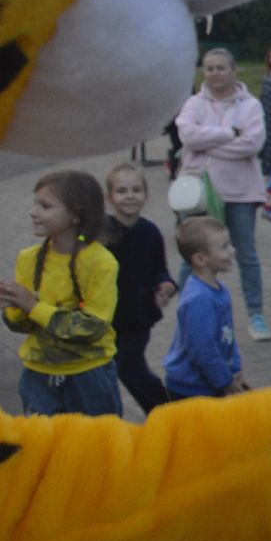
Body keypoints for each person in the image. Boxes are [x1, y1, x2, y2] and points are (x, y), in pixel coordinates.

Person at [0, 170, 120, 541]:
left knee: (87, 473)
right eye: (35, 203)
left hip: (90, 380)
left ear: (76, 214)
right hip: (38, 378)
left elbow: (89, 329)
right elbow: (24, 324)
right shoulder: (30, 257)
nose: (33, 212)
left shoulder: (100, 262)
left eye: (45, 206)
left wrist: (30, 304)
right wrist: (9, 305)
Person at [176, 47, 271, 341]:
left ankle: (255, 314)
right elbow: (187, 136)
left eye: (220, 67)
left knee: (246, 253)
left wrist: (207, 144)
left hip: (240, 191)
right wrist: (230, 133)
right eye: (209, 68)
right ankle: (188, 311)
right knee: (191, 254)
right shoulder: (194, 103)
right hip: (199, 193)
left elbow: (252, 144)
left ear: (234, 70)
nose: (215, 73)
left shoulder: (251, 106)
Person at [102, 161, 174, 413]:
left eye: (136, 190)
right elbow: (78, 244)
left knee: (129, 368)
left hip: (137, 316)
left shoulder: (150, 232)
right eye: (121, 191)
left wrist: (165, 285)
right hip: (103, 317)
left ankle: (163, 409)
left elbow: (160, 268)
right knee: (104, 374)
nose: (130, 196)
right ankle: (107, 420)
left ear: (145, 194)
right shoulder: (99, 232)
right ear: (109, 198)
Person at [163, 217, 248, 401]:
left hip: (211, 382)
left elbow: (228, 336)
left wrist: (235, 368)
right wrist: (225, 382)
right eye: (224, 246)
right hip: (192, 390)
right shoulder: (199, 299)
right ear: (200, 259)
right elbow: (202, 350)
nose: (232, 251)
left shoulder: (218, 288)